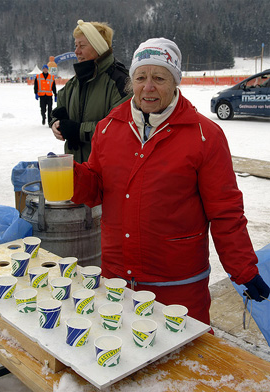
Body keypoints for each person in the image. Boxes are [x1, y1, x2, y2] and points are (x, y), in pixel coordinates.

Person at [71, 38, 270, 326]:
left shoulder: (204, 135)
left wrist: (244, 270)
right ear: (131, 82)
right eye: (140, 77)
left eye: (159, 78)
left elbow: (225, 212)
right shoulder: (108, 128)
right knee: (121, 355)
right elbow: (96, 190)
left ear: (175, 82)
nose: (148, 87)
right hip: (119, 281)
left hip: (178, 284)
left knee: (184, 362)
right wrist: (72, 176)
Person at [50, 19, 131, 163]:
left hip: (107, 170)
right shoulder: (76, 81)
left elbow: (120, 127)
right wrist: (56, 122)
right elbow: (60, 104)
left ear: (98, 47)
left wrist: (78, 131)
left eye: (82, 46)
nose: (76, 51)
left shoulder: (119, 81)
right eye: (75, 45)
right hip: (78, 170)